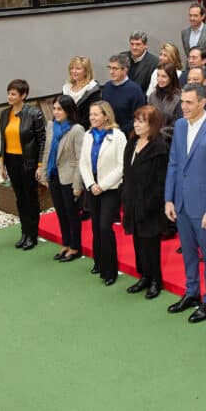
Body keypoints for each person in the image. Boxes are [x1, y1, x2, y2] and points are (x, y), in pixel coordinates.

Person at [164, 83, 206, 324]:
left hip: (204, 208)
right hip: (182, 204)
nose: (183, 107)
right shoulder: (181, 126)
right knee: (188, 253)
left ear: (202, 103)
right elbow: (174, 163)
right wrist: (169, 199)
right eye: (182, 102)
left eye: (189, 102)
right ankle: (191, 292)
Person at [122, 105, 170, 299]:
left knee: (151, 245)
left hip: (150, 205)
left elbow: (161, 181)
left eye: (142, 121)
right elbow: (127, 171)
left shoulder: (159, 147)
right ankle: (144, 276)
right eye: (136, 120)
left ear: (153, 124)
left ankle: (155, 281)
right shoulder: (132, 142)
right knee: (137, 242)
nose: (137, 124)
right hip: (132, 201)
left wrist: (149, 204)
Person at [79, 100, 127, 285]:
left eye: (96, 114)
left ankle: (110, 270)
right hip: (92, 187)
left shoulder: (118, 136)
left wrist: (102, 185)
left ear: (106, 116)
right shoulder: (88, 135)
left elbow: (122, 166)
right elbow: (83, 162)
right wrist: (91, 184)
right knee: (95, 226)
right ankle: (98, 262)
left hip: (110, 189)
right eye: (91, 115)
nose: (92, 118)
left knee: (105, 227)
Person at [0, 79, 46, 250]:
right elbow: (2, 140)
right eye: (8, 93)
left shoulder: (34, 113)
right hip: (11, 161)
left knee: (30, 198)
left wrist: (40, 165)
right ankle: (24, 232)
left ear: (23, 95)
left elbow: (42, 140)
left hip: (29, 162)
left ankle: (32, 235)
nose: (9, 97)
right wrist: (1, 164)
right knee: (19, 198)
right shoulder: (4, 114)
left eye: (13, 94)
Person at [38, 95, 86, 262]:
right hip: (53, 176)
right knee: (60, 212)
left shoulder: (77, 129)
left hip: (69, 178)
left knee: (72, 213)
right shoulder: (51, 126)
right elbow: (47, 150)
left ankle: (75, 247)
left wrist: (77, 184)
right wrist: (44, 173)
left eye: (60, 109)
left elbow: (81, 159)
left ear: (68, 111)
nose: (56, 112)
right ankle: (65, 243)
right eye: (55, 108)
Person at [101, 53, 147, 136]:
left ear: (125, 70)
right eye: (110, 68)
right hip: (105, 133)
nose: (111, 72)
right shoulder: (107, 87)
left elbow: (139, 116)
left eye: (115, 68)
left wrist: (120, 132)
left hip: (126, 136)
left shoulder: (135, 90)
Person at [63, 55, 101, 130]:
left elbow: (92, 116)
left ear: (86, 71)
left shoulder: (92, 90)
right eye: (72, 68)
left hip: (84, 130)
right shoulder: (67, 88)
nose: (74, 71)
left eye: (78, 68)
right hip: (66, 129)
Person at [147, 63, 182, 127]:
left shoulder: (179, 98)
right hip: (152, 133)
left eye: (164, 76)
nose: (159, 79)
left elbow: (177, 123)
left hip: (170, 135)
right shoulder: (152, 96)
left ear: (171, 78)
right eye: (158, 75)